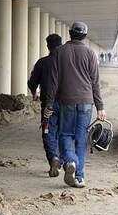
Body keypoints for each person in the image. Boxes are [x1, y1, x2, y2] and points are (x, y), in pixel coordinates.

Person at [45, 21, 106, 188]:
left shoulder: (59, 52)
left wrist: (49, 104)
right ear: (85, 36)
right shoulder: (90, 54)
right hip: (87, 102)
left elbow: (53, 82)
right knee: (81, 139)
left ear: (70, 33)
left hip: (67, 102)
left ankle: (70, 160)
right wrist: (100, 107)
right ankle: (79, 177)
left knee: (64, 135)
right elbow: (95, 82)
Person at [28, 34, 62, 177]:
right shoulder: (67, 63)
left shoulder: (42, 62)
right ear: (61, 45)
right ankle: (62, 160)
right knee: (63, 134)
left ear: (48, 46)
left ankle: (53, 158)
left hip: (49, 105)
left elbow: (32, 82)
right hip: (67, 105)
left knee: (48, 132)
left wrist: (34, 93)